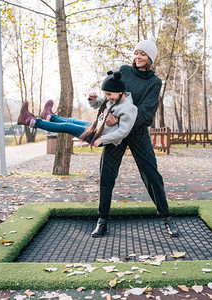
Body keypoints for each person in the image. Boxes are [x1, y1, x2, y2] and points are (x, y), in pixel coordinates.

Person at [90, 37, 179, 238]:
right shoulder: (124, 71)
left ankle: (166, 218)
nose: (138, 56)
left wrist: (123, 123)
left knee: (152, 175)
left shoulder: (155, 83)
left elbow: (147, 112)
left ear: (150, 58)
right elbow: (110, 94)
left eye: (143, 54)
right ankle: (102, 220)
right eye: (137, 52)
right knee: (106, 174)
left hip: (137, 133)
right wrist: (107, 111)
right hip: (115, 133)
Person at [17, 71, 138, 148]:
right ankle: (50, 116)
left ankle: (30, 121)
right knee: (71, 120)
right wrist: (92, 99)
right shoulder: (112, 98)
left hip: (99, 135)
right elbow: (97, 104)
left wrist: (101, 139)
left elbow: (123, 132)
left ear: (120, 91)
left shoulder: (129, 109)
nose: (107, 98)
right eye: (105, 95)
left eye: (109, 95)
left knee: (67, 127)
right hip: (95, 127)